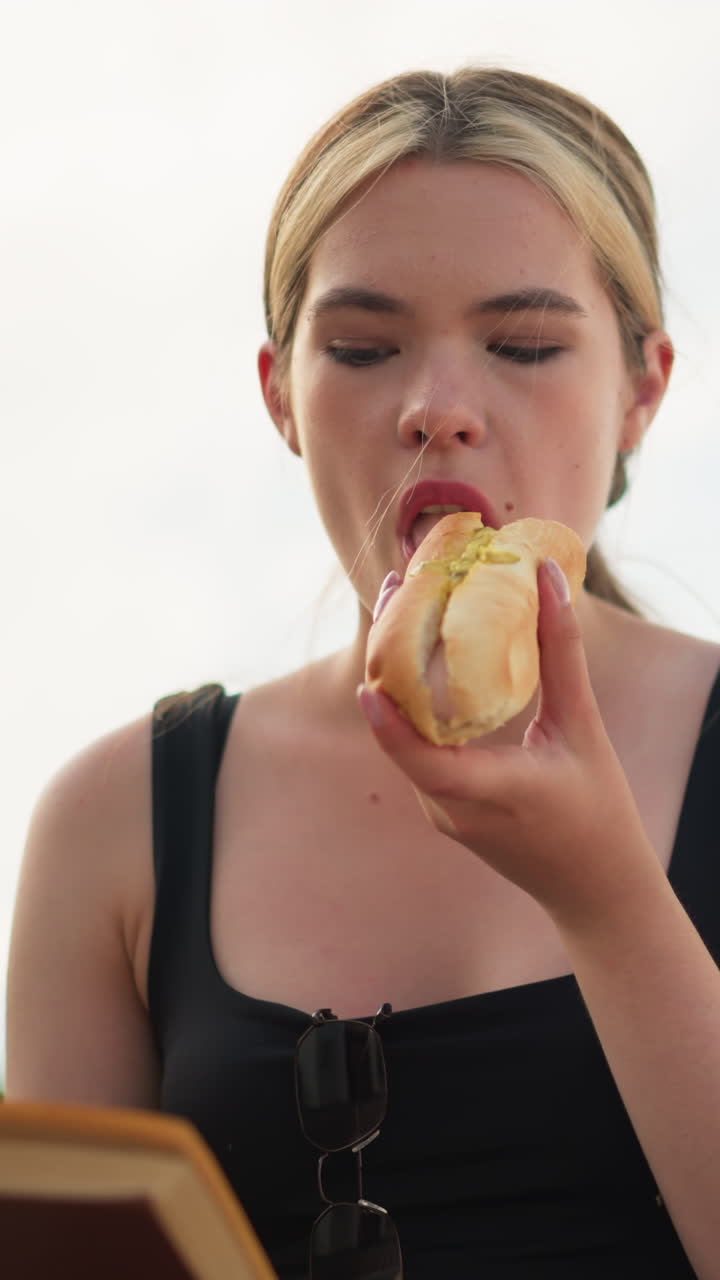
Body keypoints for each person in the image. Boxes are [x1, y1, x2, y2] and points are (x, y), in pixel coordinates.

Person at [6, 67, 720, 1279]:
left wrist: (607, 894)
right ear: (282, 392)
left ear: (644, 388)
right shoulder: (117, 821)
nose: (438, 408)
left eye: (525, 343)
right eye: (363, 346)